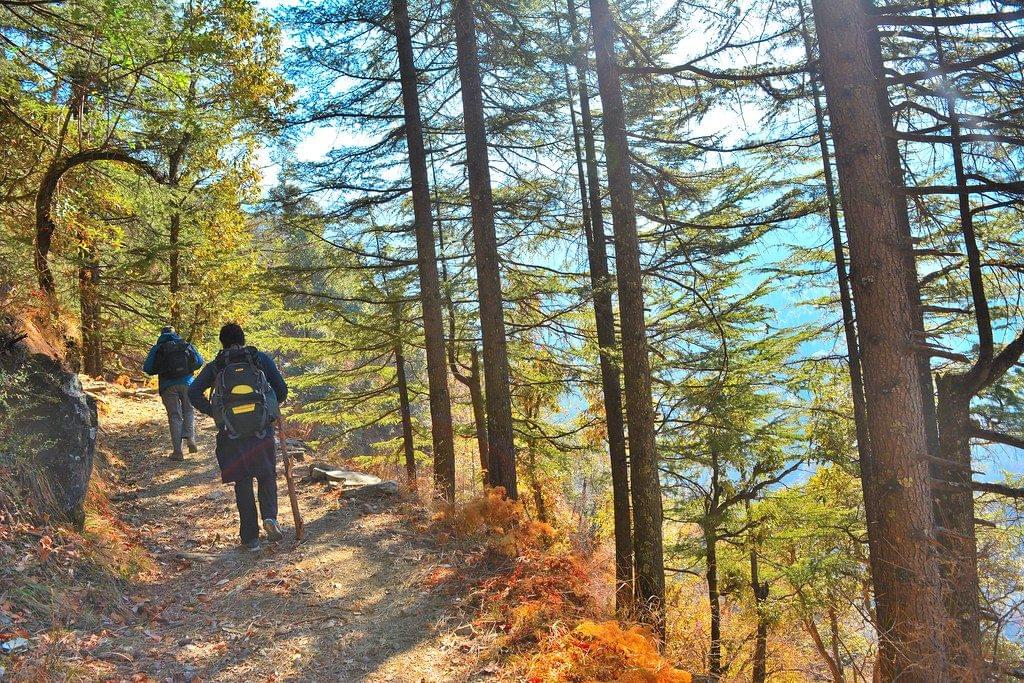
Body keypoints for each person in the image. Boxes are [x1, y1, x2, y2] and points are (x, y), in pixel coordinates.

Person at [189, 323, 289, 552]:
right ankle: (270, 518)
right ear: (243, 340)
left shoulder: (216, 366)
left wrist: (215, 412)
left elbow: (194, 392)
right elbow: (281, 391)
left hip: (231, 434)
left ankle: (250, 538)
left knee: (243, 481)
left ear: (222, 342)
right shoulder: (259, 360)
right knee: (266, 475)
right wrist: (267, 411)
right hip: (261, 430)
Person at [143, 326, 204, 462]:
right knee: (188, 410)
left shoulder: (158, 348)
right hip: (188, 383)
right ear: (175, 333)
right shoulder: (185, 345)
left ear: (161, 334)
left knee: (174, 416)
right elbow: (200, 361)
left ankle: (178, 452)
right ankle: (190, 437)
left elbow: (147, 368)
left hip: (168, 386)